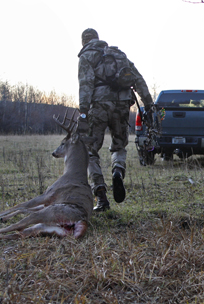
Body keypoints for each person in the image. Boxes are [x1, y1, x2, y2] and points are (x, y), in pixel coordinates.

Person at [77, 28, 154, 212]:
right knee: (119, 146)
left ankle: (101, 196)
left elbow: (86, 84)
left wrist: (83, 113)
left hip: (100, 105)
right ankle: (118, 171)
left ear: (84, 41)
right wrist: (149, 104)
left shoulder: (86, 56)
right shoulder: (118, 55)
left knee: (90, 150)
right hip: (122, 104)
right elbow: (138, 79)